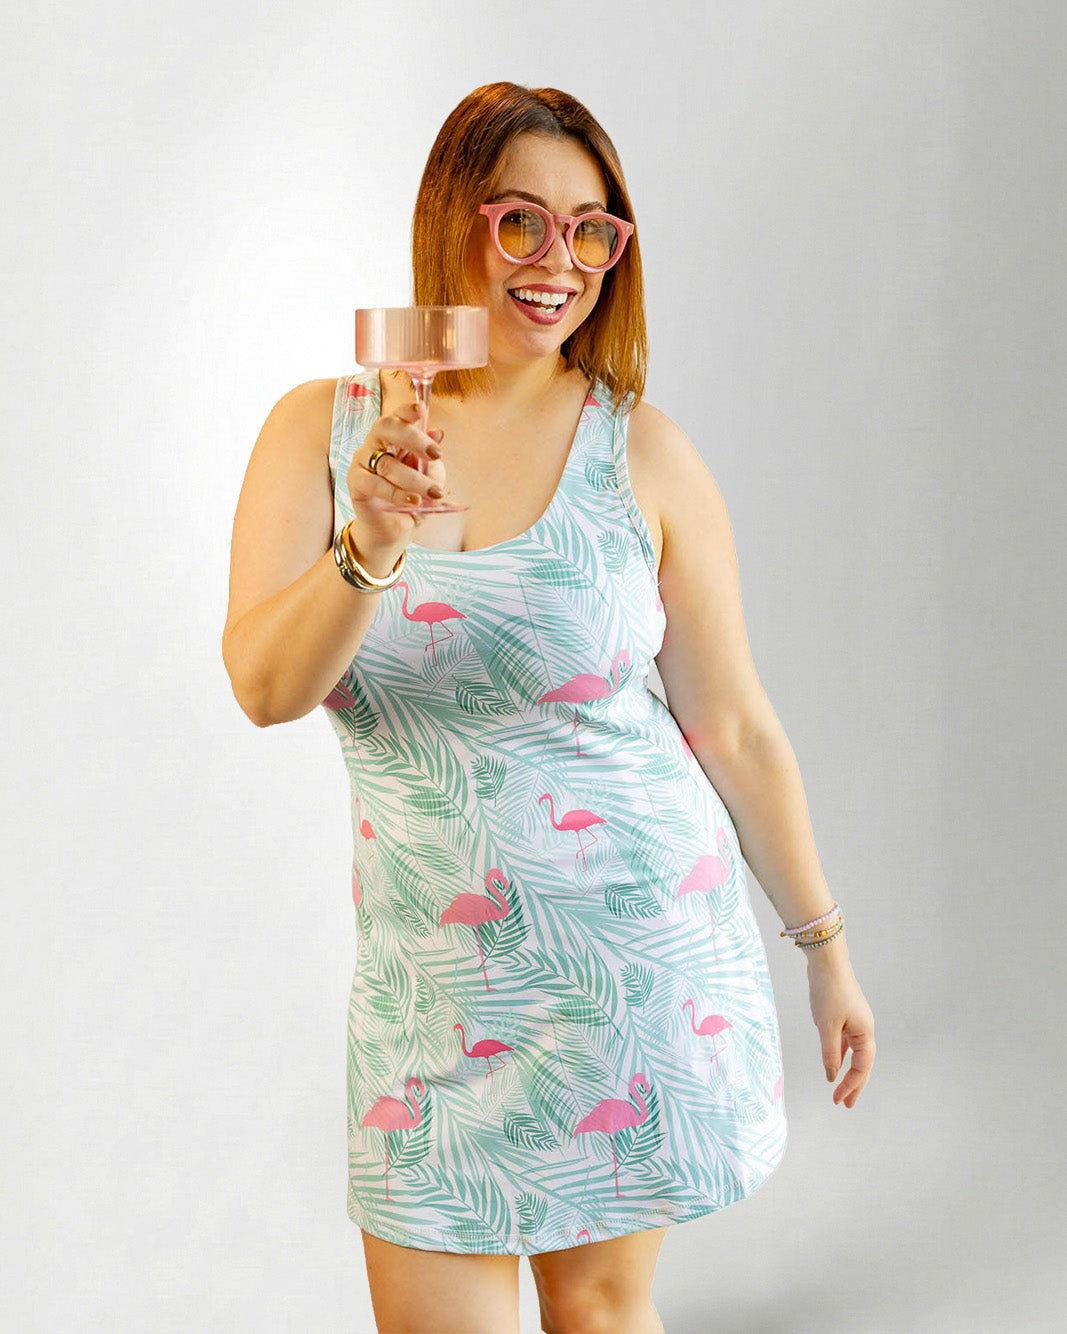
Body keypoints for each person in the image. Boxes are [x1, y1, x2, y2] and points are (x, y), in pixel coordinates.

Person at [222, 81, 876, 1334]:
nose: (555, 261)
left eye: (592, 230)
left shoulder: (645, 454)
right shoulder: (322, 430)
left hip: (628, 968)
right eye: (520, 220)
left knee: (600, 1315)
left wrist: (824, 945)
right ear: (451, 219)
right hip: (431, 1002)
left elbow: (729, 725)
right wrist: (365, 543)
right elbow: (263, 687)